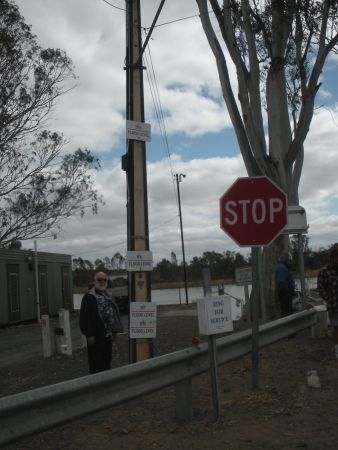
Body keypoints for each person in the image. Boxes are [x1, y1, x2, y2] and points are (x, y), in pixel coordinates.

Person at [79, 272, 123, 374]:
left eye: (104, 280)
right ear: (95, 281)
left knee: (107, 360)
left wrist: (115, 331)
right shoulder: (88, 297)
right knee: (95, 363)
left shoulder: (109, 295)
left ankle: (106, 383)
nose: (102, 282)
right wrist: (89, 334)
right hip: (95, 337)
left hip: (107, 336)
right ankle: (95, 386)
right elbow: (84, 317)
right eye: (99, 279)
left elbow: (114, 314)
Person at [317, 243, 338, 360]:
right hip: (334, 305)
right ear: (332, 257)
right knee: (336, 328)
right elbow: (320, 288)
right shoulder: (324, 271)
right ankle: (337, 350)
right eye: (336, 256)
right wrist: (329, 299)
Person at [276, 252, 295, 317]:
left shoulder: (283, 267)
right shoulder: (281, 267)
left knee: (287, 312)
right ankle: (288, 326)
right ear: (286, 260)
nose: (290, 262)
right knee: (287, 313)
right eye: (289, 260)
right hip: (285, 294)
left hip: (286, 294)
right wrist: (288, 291)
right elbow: (281, 282)